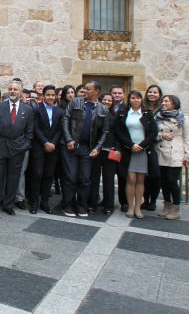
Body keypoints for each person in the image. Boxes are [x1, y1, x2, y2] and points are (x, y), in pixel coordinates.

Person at [60, 81, 109, 218]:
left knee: (85, 179)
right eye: (85, 89)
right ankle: (67, 205)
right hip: (70, 147)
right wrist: (69, 139)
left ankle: (81, 205)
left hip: (87, 149)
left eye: (88, 89)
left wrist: (98, 148)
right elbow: (65, 120)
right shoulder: (75, 102)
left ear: (96, 91)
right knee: (70, 177)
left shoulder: (102, 109)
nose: (85, 91)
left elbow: (104, 131)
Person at [0, 80, 33, 216]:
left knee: (13, 177)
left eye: (15, 89)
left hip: (18, 148)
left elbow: (29, 132)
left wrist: (25, 146)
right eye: (11, 89)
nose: (13, 91)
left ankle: (8, 204)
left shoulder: (28, 110)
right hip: (0, 146)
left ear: (20, 92)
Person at [115, 90, 159, 219]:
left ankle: (138, 208)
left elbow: (153, 132)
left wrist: (142, 145)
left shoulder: (147, 114)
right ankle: (130, 207)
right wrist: (131, 145)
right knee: (130, 179)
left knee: (141, 180)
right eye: (133, 98)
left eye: (138, 98)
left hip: (143, 151)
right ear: (129, 100)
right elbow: (119, 132)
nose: (136, 100)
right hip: (129, 151)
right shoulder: (123, 114)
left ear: (141, 100)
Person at [155, 95, 189, 220]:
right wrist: (162, 135)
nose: (163, 103)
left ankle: (176, 208)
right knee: (164, 182)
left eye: (166, 101)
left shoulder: (183, 118)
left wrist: (188, 155)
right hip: (161, 152)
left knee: (172, 180)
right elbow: (153, 134)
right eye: (163, 101)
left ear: (174, 103)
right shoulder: (158, 116)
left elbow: (188, 137)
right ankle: (167, 205)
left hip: (176, 153)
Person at [28, 85, 63, 214]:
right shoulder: (37, 110)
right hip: (39, 146)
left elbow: (60, 129)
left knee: (49, 175)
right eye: (48, 95)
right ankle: (34, 201)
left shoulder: (59, 112)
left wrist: (52, 143)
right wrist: (45, 142)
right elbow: (35, 128)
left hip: (53, 147)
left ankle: (44, 202)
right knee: (37, 174)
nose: (51, 97)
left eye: (53, 95)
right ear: (43, 96)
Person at [96, 93, 123, 215]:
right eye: (104, 100)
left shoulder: (115, 116)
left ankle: (109, 205)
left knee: (108, 178)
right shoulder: (94, 113)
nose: (107, 102)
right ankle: (94, 202)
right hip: (96, 150)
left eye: (109, 101)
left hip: (110, 150)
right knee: (94, 177)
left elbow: (118, 134)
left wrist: (118, 148)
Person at [142, 84, 164, 210]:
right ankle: (145, 200)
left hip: (157, 146)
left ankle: (153, 201)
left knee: (156, 175)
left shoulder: (162, 109)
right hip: (144, 145)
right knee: (145, 175)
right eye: (150, 92)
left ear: (159, 95)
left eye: (155, 92)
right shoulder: (142, 107)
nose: (152, 94)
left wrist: (159, 135)